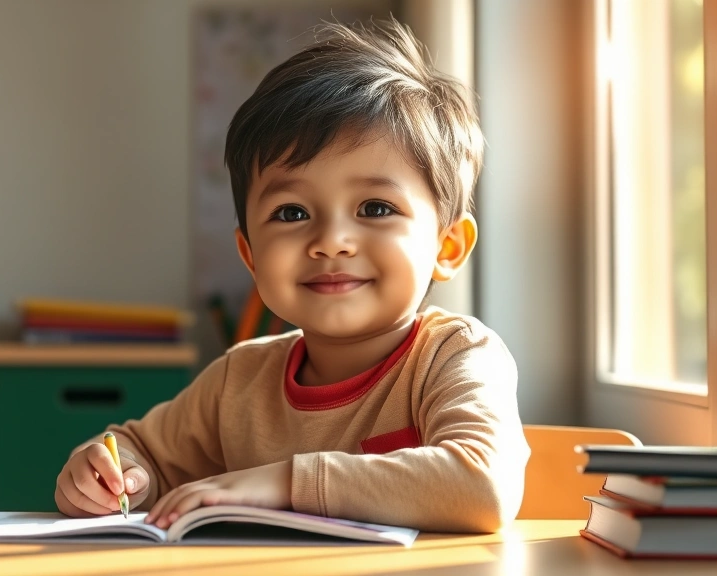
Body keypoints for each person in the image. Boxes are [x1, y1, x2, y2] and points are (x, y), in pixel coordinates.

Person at [54, 16, 530, 533]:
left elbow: (484, 485)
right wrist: (110, 474)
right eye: (291, 213)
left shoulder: (453, 356)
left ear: (447, 245)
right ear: (251, 254)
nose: (331, 240)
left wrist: (284, 483)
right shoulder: (238, 381)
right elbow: (137, 448)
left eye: (374, 207)